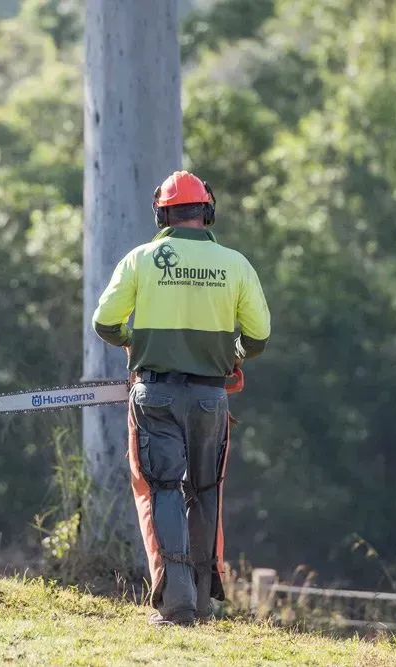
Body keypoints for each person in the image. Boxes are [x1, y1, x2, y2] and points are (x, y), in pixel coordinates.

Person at [91, 170, 271, 626]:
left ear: (162, 214)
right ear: (206, 211)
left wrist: (136, 340)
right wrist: (232, 354)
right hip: (211, 397)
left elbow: (105, 323)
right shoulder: (235, 264)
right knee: (205, 490)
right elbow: (259, 335)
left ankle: (178, 605)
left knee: (165, 489)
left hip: (155, 394)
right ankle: (205, 602)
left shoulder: (141, 259)